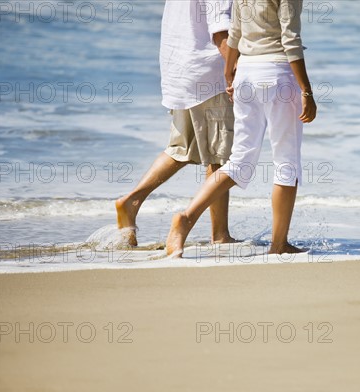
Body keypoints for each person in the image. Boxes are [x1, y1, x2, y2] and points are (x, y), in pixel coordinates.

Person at [166, 0, 317, 257]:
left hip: (246, 72)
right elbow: (290, 39)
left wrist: (229, 75)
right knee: (286, 163)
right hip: (277, 74)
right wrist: (307, 91)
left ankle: (186, 218)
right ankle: (279, 245)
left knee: (239, 162)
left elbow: (234, 33)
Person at [116, 0, 237, 247]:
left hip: (182, 70)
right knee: (220, 157)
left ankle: (132, 201)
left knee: (181, 149)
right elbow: (220, 31)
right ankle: (220, 235)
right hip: (210, 75)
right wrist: (234, 72)